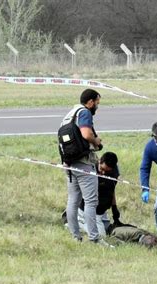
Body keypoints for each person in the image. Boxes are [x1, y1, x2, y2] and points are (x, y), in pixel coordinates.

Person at [61, 89, 112, 247]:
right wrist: (96, 141)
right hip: (83, 163)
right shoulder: (84, 113)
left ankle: (75, 236)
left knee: (73, 200)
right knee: (91, 201)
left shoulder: (71, 113)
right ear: (90, 102)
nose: (97, 106)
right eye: (97, 102)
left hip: (69, 163)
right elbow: (85, 134)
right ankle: (94, 238)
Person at [63, 152, 123, 236]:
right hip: (89, 210)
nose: (103, 173)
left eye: (106, 171)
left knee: (108, 230)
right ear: (99, 161)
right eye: (102, 169)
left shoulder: (114, 173)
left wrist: (114, 207)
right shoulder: (89, 170)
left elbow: (111, 189)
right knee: (101, 235)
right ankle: (77, 222)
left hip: (102, 212)